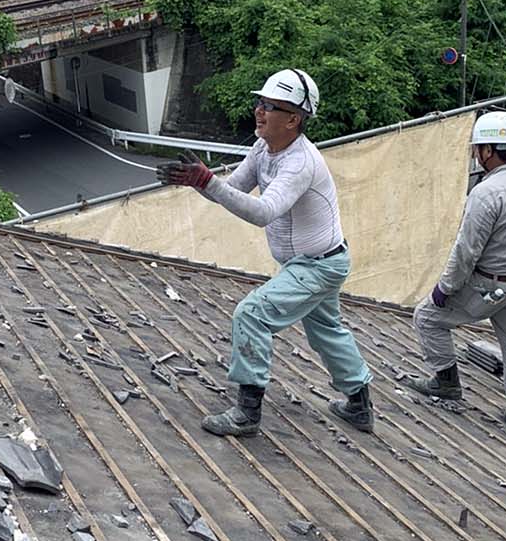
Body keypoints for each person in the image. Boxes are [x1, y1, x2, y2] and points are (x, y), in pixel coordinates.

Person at [157, 69, 374, 437]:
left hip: (317, 266)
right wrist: (200, 182)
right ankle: (359, 404)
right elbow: (236, 187)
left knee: (252, 314)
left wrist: (205, 181)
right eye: (260, 103)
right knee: (326, 331)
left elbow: (262, 212)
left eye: (270, 106)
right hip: (317, 261)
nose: (259, 111)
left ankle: (247, 412)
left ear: (293, 119)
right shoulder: (264, 148)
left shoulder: (300, 162)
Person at [412, 111, 506, 433]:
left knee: (427, 317)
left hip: (489, 286)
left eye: (478, 149)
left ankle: (446, 382)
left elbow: (467, 251)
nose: (476, 155)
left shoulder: (487, 192)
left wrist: (445, 287)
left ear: (489, 151)